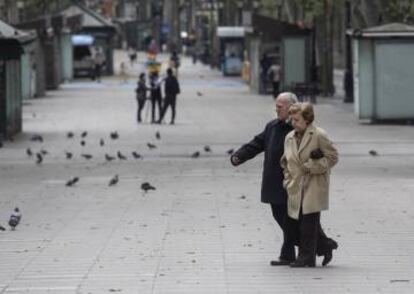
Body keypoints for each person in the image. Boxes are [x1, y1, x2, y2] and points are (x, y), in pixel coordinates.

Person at [230, 93, 337, 266]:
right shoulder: (272, 126)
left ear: (292, 108)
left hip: (295, 182)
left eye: (280, 106)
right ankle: (323, 245)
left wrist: (314, 163)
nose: (276, 109)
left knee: (296, 220)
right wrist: (239, 156)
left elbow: (325, 153)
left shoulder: (298, 130)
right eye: (276, 106)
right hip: (275, 180)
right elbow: (257, 144)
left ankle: (294, 253)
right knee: (282, 217)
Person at [281, 102, 339, 267]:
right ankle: (326, 246)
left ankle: (306, 258)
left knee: (308, 224)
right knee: (293, 224)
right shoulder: (290, 137)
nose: (293, 123)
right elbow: (285, 161)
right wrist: (287, 180)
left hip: (314, 185)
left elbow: (333, 157)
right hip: (295, 185)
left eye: (297, 119)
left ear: (307, 120)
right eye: (292, 120)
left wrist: (313, 166)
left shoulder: (319, 134)